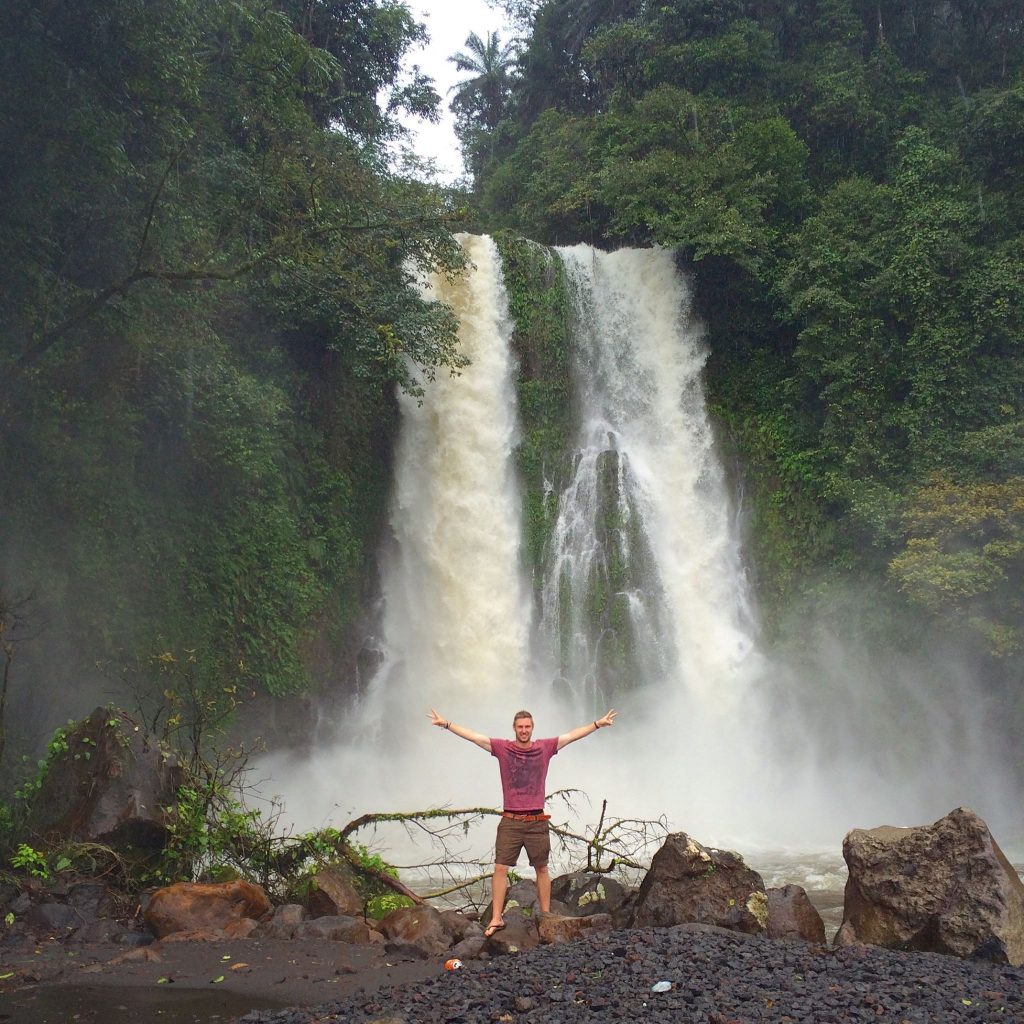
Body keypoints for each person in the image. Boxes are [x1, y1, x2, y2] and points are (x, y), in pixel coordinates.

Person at [428, 706, 617, 937]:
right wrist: (447, 724)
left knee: (542, 868)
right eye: (520, 727)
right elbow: (475, 738)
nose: (524, 730)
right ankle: (497, 917)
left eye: (527, 727)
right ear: (514, 729)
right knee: (500, 867)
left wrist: (597, 724)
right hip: (511, 819)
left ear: (532, 728)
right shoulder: (503, 748)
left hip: (537, 820)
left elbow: (571, 736)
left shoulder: (544, 748)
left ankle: (546, 916)